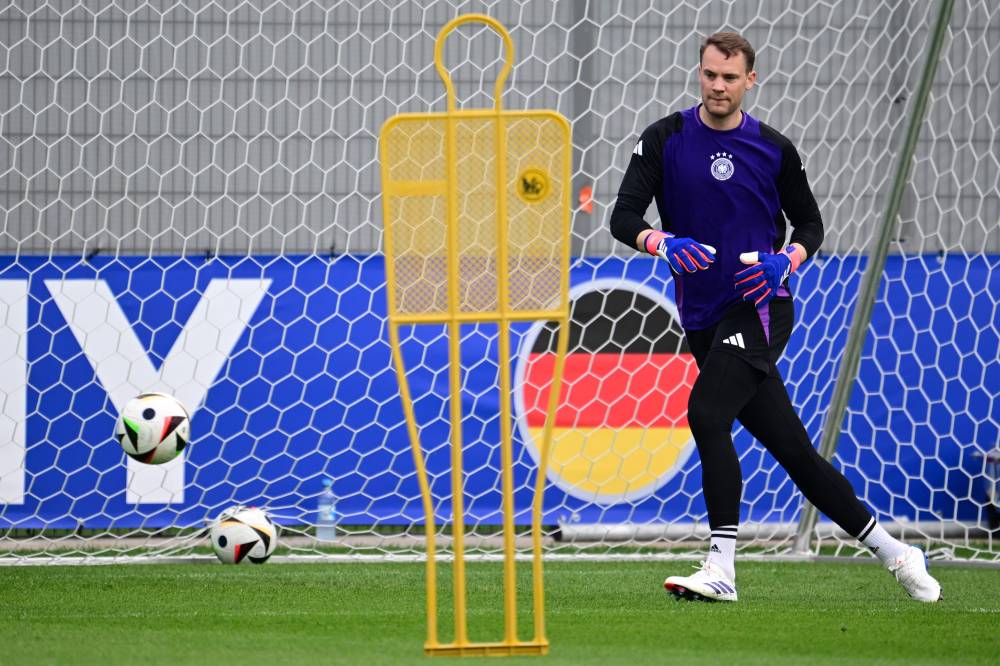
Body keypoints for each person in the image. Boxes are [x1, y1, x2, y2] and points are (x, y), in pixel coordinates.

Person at [609, 31, 941, 603]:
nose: (718, 86)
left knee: (707, 414)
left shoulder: (774, 149)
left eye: (730, 78)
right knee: (795, 453)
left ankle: (721, 569)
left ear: (750, 81)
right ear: (700, 73)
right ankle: (896, 551)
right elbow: (623, 216)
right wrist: (660, 243)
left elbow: (810, 225)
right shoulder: (663, 138)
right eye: (710, 75)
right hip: (702, 316)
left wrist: (785, 259)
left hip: (761, 308)